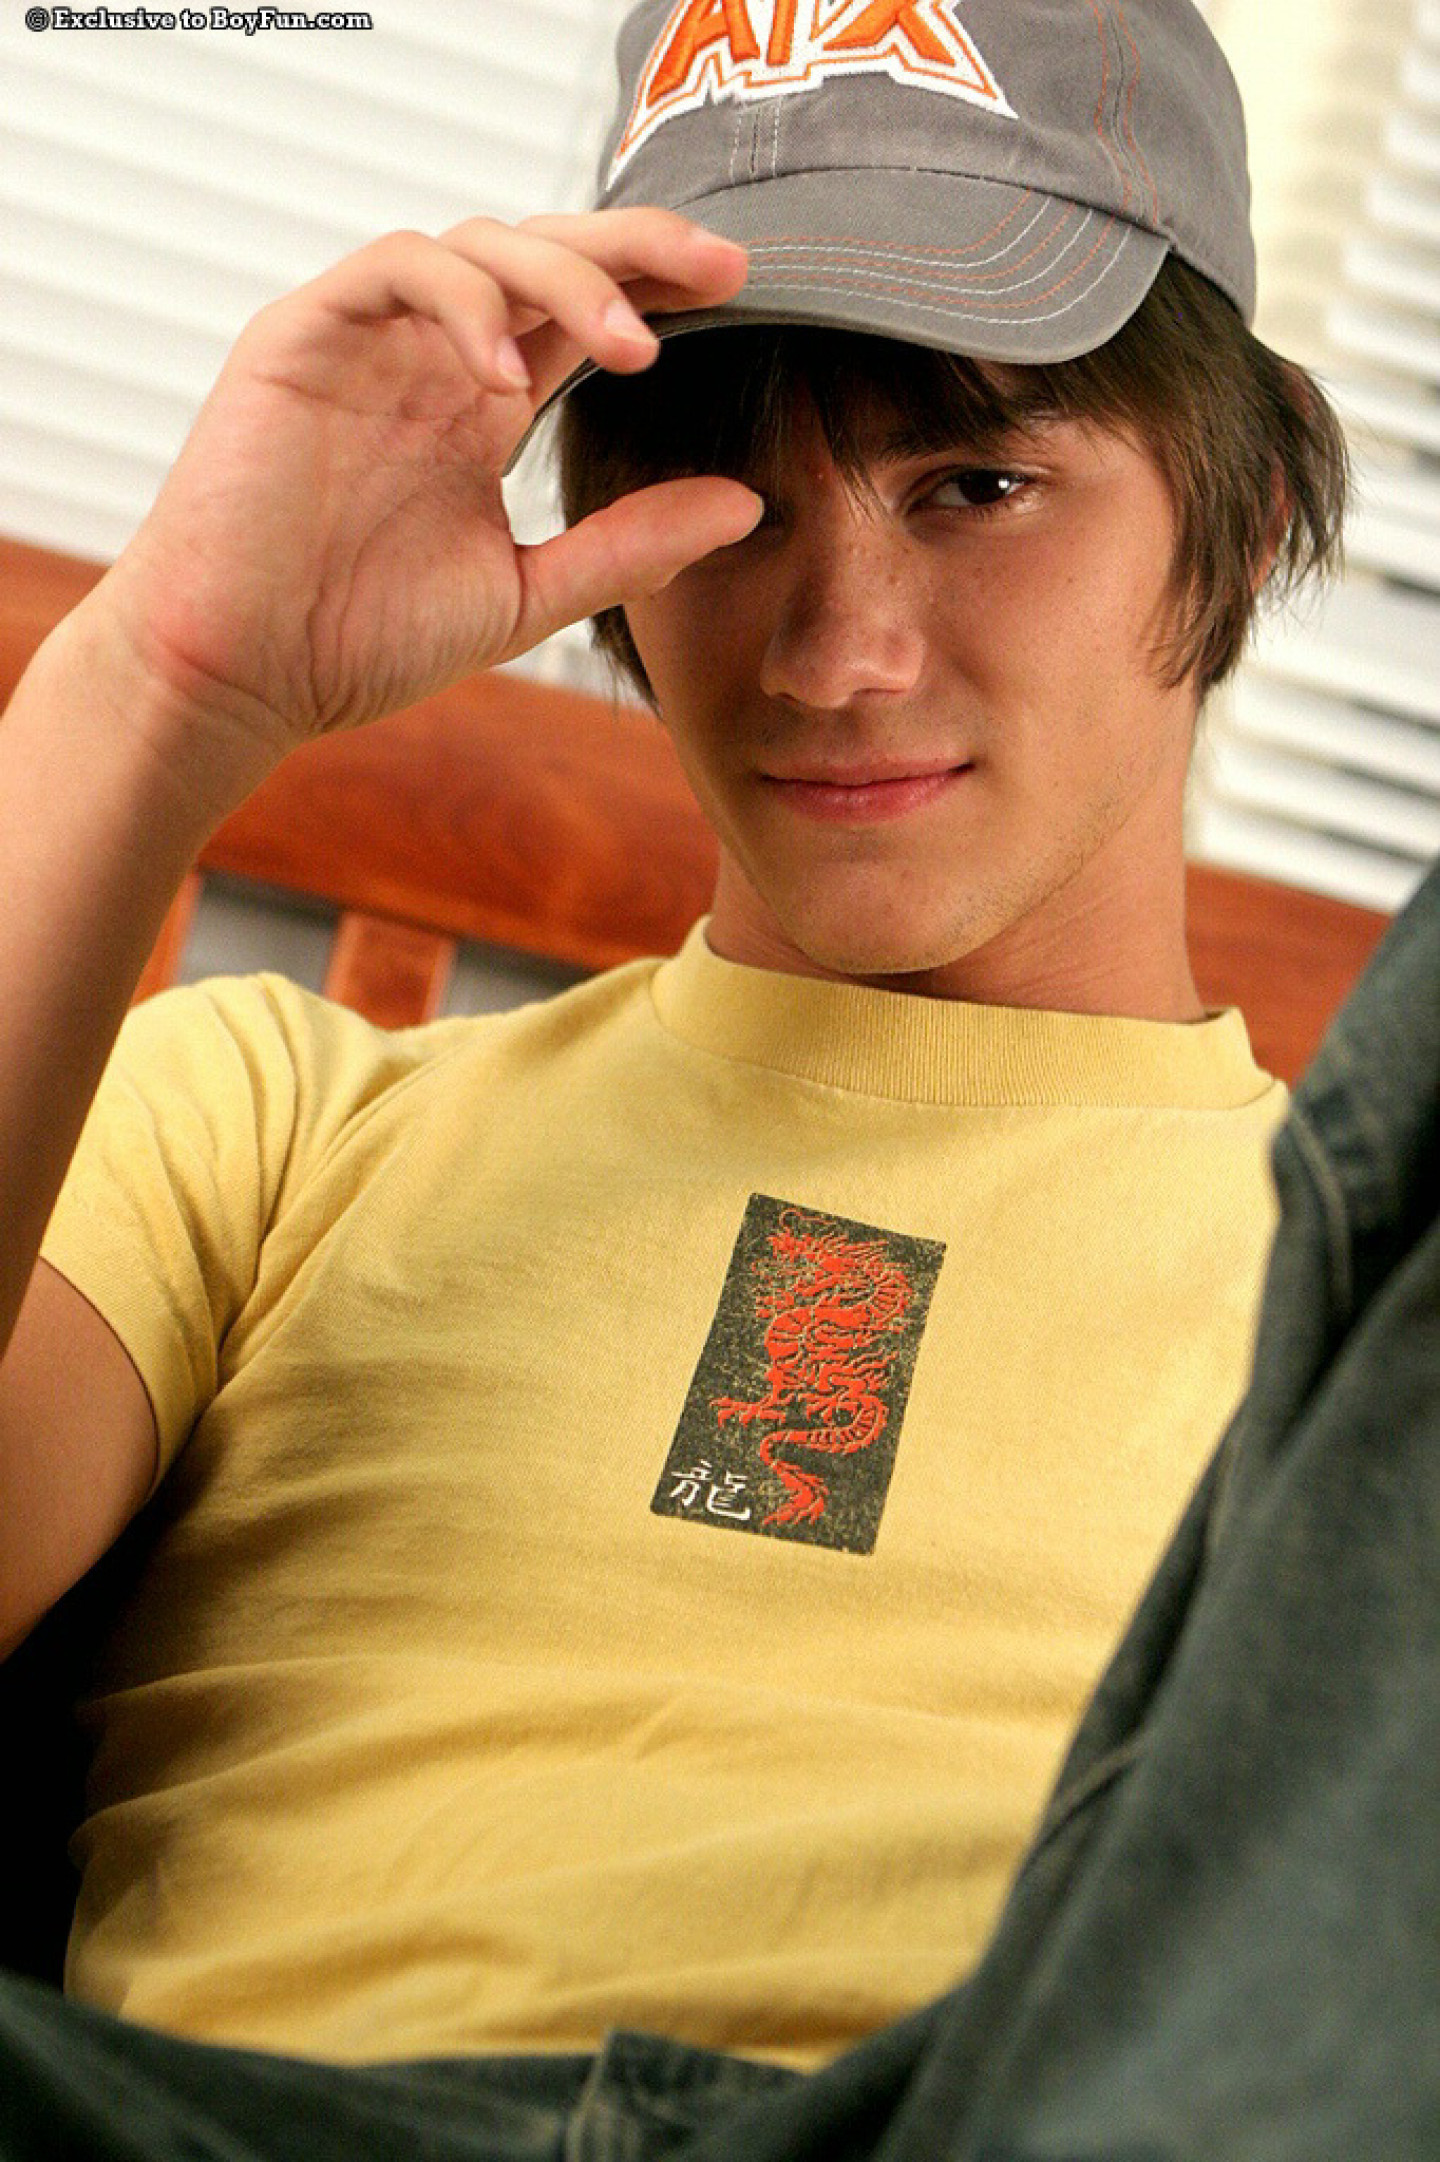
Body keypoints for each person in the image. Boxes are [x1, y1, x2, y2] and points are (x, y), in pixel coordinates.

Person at [1, 1, 1433, 2155]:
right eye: (732, 500)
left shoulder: (1370, 1304)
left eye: (979, 483)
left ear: (1240, 519)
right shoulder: (272, 1119)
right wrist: (156, 680)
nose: (839, 654)